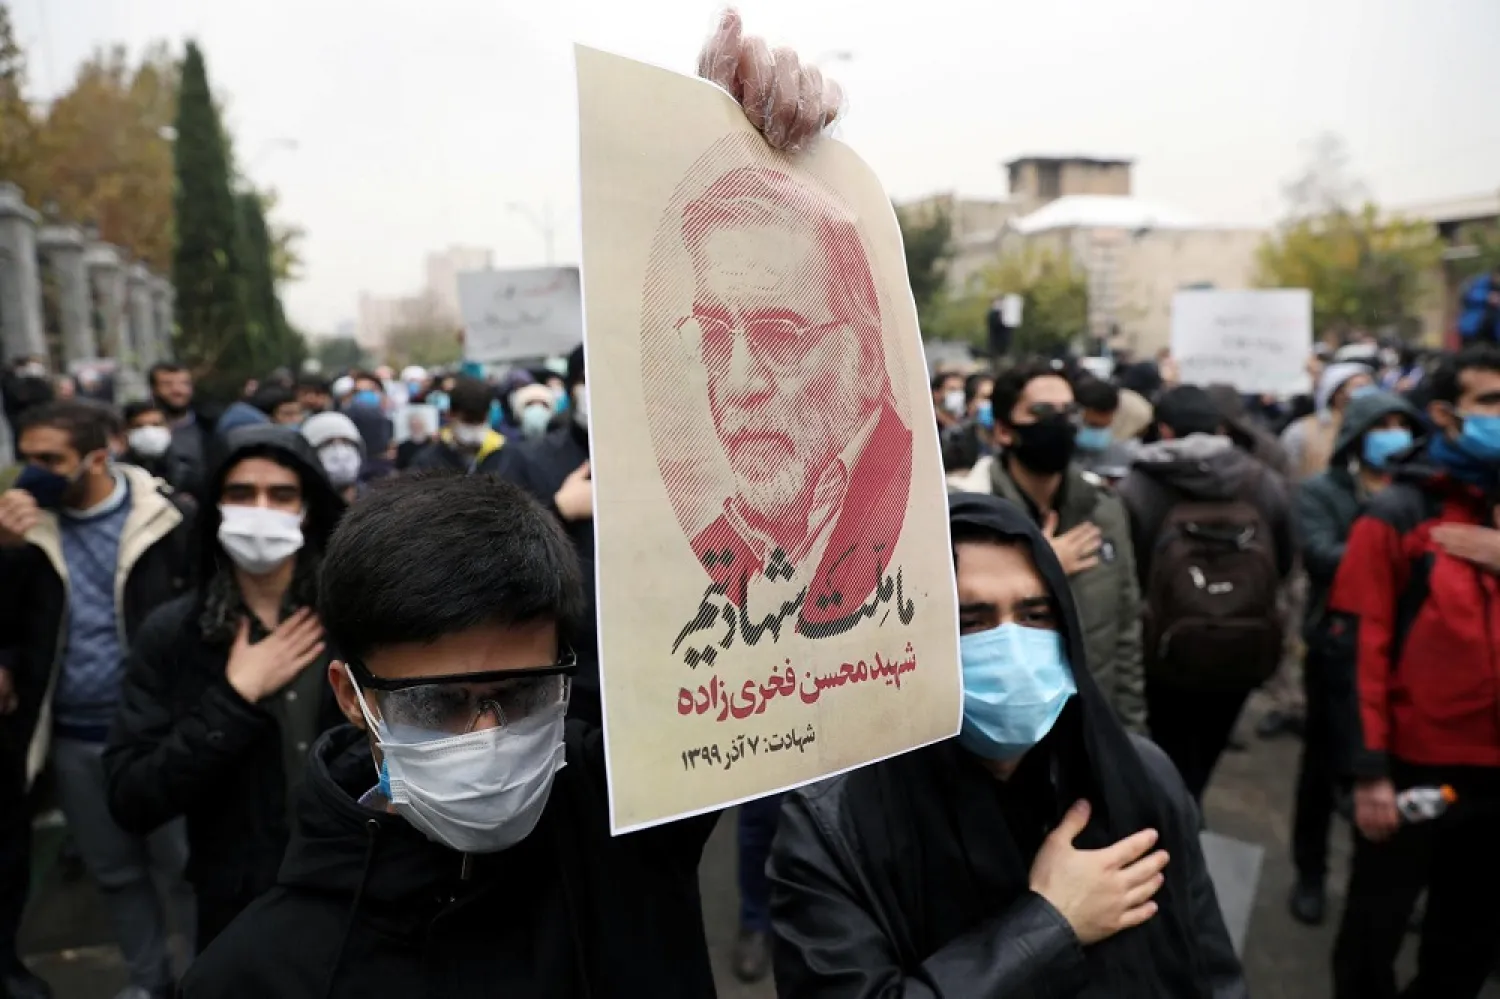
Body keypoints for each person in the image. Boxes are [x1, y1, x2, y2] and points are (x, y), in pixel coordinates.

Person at [179, 472, 721, 997]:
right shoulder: (258, 975)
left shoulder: (639, 818)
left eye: (522, 693)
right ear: (351, 696)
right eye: (435, 702)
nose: (488, 733)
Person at [768, 491, 1245, 997]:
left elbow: (1210, 972)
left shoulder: (1139, 776)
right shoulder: (834, 827)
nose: (1011, 647)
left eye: (1035, 615)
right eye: (970, 622)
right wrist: (1048, 927)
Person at [104, 425, 347, 949]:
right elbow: (132, 795)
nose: (260, 510)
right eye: (241, 495)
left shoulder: (354, 620)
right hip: (239, 905)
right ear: (215, 506)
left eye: (281, 495)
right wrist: (234, 699)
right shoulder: (174, 634)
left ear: (307, 507)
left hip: (352, 888)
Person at [0, 401, 198, 999]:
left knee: (181, 869)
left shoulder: (164, 519)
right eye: (26, 459)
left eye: (50, 460)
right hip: (73, 735)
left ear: (96, 457)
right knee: (115, 872)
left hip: (157, 732)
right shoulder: (26, 530)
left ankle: (196, 979)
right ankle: (147, 982)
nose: (34, 472)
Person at [1328, 344, 1500, 998]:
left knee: (1467, 943)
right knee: (1376, 928)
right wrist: (1369, 769)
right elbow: (1356, 644)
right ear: (1445, 415)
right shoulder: (1399, 513)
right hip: (1413, 769)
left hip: (1494, 775)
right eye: (1490, 402)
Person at [676, 164, 914, 635]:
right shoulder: (707, 555)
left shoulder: (923, 517)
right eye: (715, 335)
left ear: (866, 359)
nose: (740, 384)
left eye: (781, 335)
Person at [1287, 388, 1424, 928]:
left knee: (1399, 773)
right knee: (1322, 769)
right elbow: (1322, 557)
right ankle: (1310, 874)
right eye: (1381, 424)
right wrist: (1395, 553)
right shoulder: (1323, 491)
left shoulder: (1421, 495)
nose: (1393, 433)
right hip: (1336, 648)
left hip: (1406, 653)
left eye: (1401, 423)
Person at [1117, 385, 1295, 801]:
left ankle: (1170, 830)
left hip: (1162, 649)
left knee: (1162, 755)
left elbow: (1127, 573)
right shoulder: (1261, 480)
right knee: (1204, 754)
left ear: (1163, 429)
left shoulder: (1137, 486)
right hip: (1243, 643)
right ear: (1219, 427)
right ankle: (1190, 813)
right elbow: (1285, 561)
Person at [950, 364, 1146, 733]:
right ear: (1005, 431)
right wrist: (1041, 570)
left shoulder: (1103, 508)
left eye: (1068, 411)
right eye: (1042, 412)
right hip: (993, 734)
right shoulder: (960, 509)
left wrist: (1130, 737)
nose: (1060, 421)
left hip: (1088, 725)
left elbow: (1125, 632)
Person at [505, 345, 600, 724]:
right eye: (589, 380)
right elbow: (492, 560)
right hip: (565, 687)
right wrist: (558, 511)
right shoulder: (526, 459)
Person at [407, 376, 508, 475]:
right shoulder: (428, 461)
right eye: (468, 420)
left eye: (479, 421)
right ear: (450, 415)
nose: (473, 429)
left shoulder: (504, 455)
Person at [149, 363, 216, 502]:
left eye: (184, 384)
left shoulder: (209, 427)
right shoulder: (143, 430)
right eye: (168, 384)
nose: (177, 390)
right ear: (154, 389)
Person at [300, 411, 366, 503]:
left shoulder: (375, 502)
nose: (340, 454)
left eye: (346, 442)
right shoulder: (299, 507)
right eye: (327, 444)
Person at [121, 401, 175, 480]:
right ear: (126, 431)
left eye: (156, 425)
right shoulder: (118, 472)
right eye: (139, 426)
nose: (148, 432)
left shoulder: (187, 470)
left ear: (169, 428)